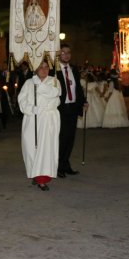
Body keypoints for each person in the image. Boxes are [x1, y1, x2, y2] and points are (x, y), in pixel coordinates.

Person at [18, 61, 61, 191]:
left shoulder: (54, 80)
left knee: (46, 149)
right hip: (32, 118)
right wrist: (31, 109)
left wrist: (40, 86)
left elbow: (55, 94)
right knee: (31, 147)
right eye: (40, 67)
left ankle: (42, 179)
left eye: (46, 67)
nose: (44, 70)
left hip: (48, 119)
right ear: (35, 69)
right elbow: (22, 99)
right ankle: (34, 173)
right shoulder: (29, 83)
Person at [55, 44, 86, 178]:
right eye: (63, 53)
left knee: (70, 138)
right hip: (60, 108)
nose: (66, 55)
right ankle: (58, 166)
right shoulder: (54, 70)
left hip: (73, 107)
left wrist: (83, 101)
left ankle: (66, 164)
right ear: (58, 54)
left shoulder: (73, 69)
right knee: (62, 138)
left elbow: (77, 87)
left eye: (68, 53)